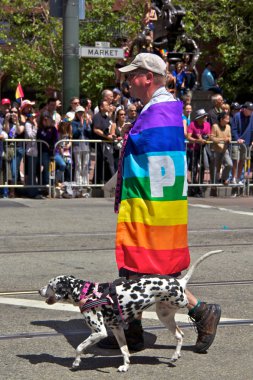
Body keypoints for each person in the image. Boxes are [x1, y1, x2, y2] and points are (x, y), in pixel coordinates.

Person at [99, 53, 221, 352]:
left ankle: (201, 310)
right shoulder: (156, 107)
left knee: (152, 270)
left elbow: (156, 153)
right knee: (135, 267)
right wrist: (133, 130)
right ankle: (133, 331)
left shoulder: (161, 108)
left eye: (132, 76)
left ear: (148, 78)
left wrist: (131, 133)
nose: (128, 81)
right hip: (149, 199)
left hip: (153, 202)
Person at [187, 109, 212, 197]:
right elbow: (188, 137)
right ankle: (194, 188)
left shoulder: (207, 124)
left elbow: (209, 135)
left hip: (203, 149)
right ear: (199, 117)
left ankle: (200, 187)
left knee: (202, 168)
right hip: (193, 149)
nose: (206, 117)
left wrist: (207, 138)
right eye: (204, 116)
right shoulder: (192, 124)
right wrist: (197, 140)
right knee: (194, 168)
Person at [92, 100, 115, 184]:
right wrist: (106, 136)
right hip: (100, 144)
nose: (109, 106)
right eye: (107, 105)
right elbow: (96, 129)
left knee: (107, 163)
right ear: (101, 107)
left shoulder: (107, 118)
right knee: (101, 162)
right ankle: (97, 181)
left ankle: (104, 181)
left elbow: (110, 128)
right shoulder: (97, 117)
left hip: (107, 144)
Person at [231, 101, 253, 185]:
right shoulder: (237, 116)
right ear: (244, 109)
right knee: (235, 160)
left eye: (252, 110)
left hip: (247, 142)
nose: (251, 111)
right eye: (249, 110)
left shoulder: (252, 116)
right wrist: (237, 139)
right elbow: (234, 129)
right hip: (237, 142)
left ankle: (238, 178)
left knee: (242, 161)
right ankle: (233, 178)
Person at [210, 111, 232, 186]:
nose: (228, 120)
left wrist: (229, 139)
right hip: (216, 150)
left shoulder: (228, 127)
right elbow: (212, 137)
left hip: (225, 149)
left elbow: (229, 137)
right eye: (227, 119)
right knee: (216, 167)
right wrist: (222, 139)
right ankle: (214, 183)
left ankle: (223, 178)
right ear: (221, 119)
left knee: (229, 164)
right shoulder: (215, 126)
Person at [71, 105, 91, 189]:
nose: (80, 114)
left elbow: (89, 133)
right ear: (76, 114)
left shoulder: (86, 122)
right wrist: (80, 126)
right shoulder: (74, 123)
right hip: (77, 145)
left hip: (85, 145)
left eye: (82, 113)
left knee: (86, 163)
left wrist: (87, 125)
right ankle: (78, 182)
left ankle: (85, 181)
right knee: (78, 163)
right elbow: (74, 134)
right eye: (79, 113)